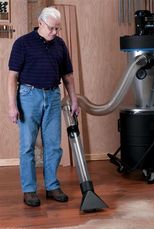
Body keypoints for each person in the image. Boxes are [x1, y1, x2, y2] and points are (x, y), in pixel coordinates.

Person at [8, 6, 79, 207]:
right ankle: (29, 190)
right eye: (52, 28)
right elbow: (12, 77)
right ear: (40, 23)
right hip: (29, 96)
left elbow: (68, 76)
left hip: (53, 96)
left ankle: (52, 186)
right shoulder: (22, 43)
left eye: (58, 29)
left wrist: (74, 99)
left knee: (54, 145)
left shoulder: (59, 44)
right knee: (27, 146)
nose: (55, 33)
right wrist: (12, 106)